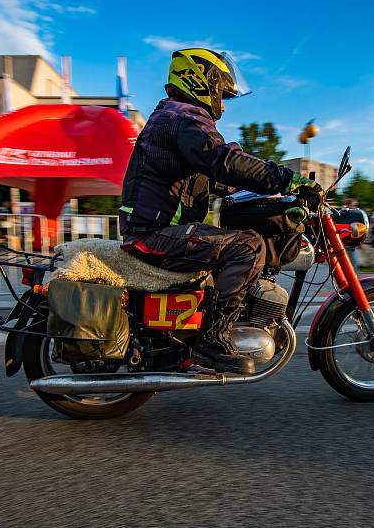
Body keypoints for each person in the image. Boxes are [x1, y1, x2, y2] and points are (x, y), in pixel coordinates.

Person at [118, 48, 315, 375]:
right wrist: (287, 179)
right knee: (248, 246)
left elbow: (219, 177)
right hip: (154, 234)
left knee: (237, 240)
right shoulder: (183, 117)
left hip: (155, 229)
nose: (222, 105)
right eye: (221, 94)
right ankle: (212, 339)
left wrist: (268, 188)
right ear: (200, 81)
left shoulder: (174, 118)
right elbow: (225, 161)